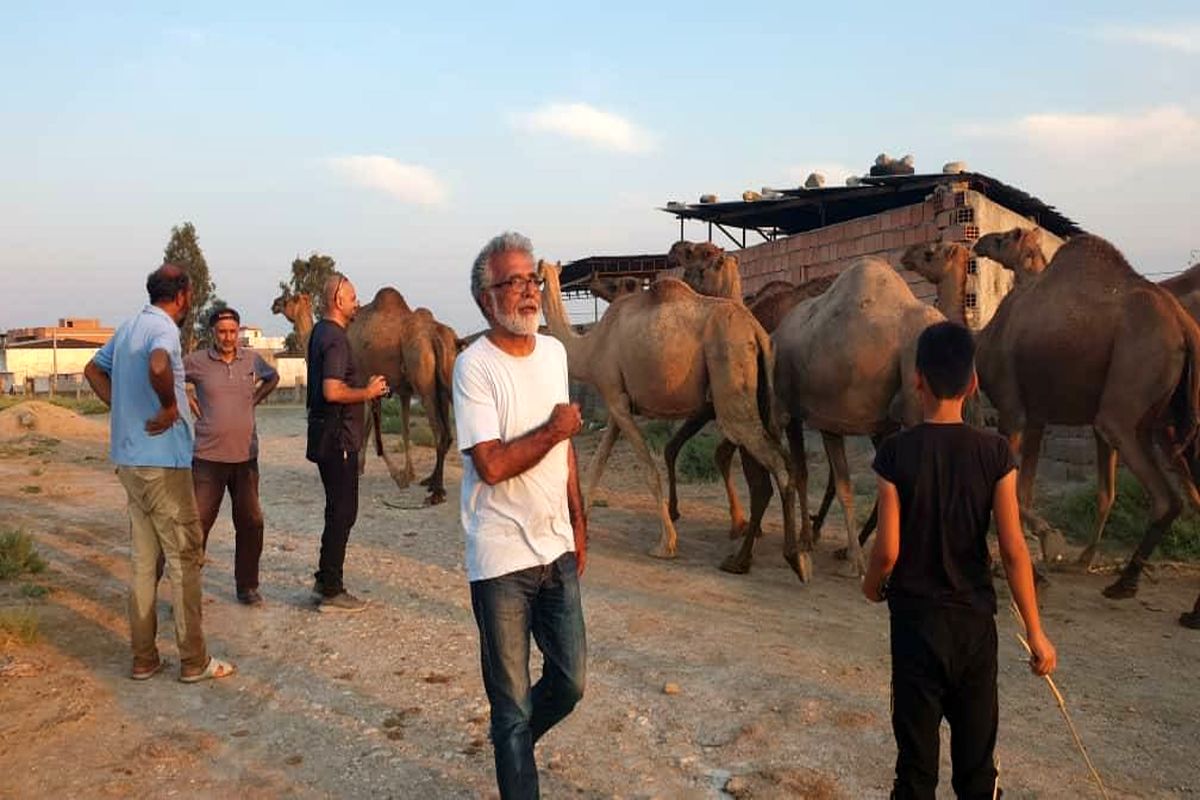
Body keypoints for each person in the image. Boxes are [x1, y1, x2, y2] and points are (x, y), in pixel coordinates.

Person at [862, 321, 1056, 800]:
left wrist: (871, 586)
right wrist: (1035, 631)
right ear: (972, 384)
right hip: (973, 628)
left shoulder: (895, 453)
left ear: (917, 380)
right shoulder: (994, 453)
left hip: (914, 629)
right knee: (975, 769)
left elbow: (887, 551)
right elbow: (1012, 550)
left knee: (915, 769)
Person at [453, 232, 588, 800]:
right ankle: (513, 751)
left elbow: (566, 450)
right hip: (501, 557)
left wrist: (579, 522)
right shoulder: (473, 367)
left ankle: (513, 743)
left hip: (556, 548)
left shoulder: (555, 353)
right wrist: (556, 429)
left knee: (572, 682)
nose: (530, 292)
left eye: (533, 279)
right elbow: (490, 464)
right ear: (487, 298)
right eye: (515, 282)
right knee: (508, 703)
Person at [83, 264, 236, 683]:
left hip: (131, 463)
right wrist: (170, 407)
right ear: (183, 295)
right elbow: (157, 366)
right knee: (186, 559)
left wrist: (122, 410)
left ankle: (144, 658)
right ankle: (193, 661)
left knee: (143, 563)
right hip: (164, 466)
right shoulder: (164, 331)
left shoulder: (130, 325)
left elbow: (93, 370)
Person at [184, 307, 279, 606]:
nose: (228, 337)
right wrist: (183, 396)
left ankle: (247, 587)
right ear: (213, 332)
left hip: (245, 459)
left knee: (251, 523)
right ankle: (187, 593)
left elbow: (272, 377)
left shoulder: (251, 360)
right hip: (207, 460)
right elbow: (165, 374)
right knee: (196, 526)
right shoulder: (196, 362)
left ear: (238, 332)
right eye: (222, 332)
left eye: (232, 331)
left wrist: (256, 399)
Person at [306, 273, 388, 612]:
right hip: (338, 436)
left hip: (326, 433)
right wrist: (367, 392)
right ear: (338, 302)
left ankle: (324, 580)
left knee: (335, 509)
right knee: (344, 511)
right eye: (353, 297)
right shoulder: (336, 339)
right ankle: (332, 589)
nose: (357, 302)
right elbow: (332, 390)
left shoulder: (319, 333)